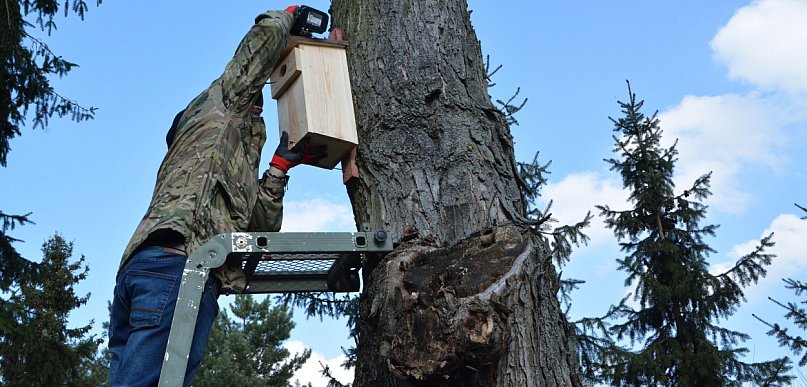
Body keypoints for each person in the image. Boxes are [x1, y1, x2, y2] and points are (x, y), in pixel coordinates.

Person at [108, 7, 324, 386]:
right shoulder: (219, 104)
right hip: (177, 270)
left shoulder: (222, 160)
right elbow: (257, 50)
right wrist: (287, 16)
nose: (258, 102)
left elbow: (260, 230)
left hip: (147, 273)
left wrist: (277, 171)